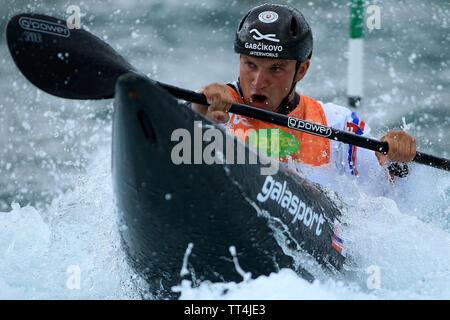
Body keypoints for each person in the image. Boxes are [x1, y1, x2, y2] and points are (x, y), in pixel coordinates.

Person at [192, 3, 416, 183]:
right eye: (250, 65)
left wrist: (397, 159)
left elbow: (388, 196)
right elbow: (173, 154)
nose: (258, 82)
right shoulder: (214, 109)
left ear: (302, 70)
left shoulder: (336, 122)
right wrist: (198, 114)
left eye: (275, 69)